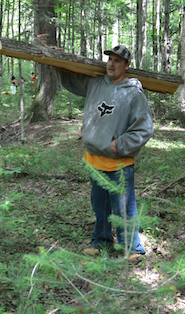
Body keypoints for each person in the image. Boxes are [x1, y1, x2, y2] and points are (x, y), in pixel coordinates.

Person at [58, 45, 153, 259]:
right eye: (110, 59)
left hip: (119, 164)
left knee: (124, 210)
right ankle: (101, 242)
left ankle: (132, 248)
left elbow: (144, 128)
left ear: (127, 66)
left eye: (118, 61)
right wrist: (55, 62)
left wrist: (118, 145)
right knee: (100, 208)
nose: (111, 63)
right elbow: (70, 81)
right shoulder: (95, 83)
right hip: (94, 160)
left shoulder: (134, 93)